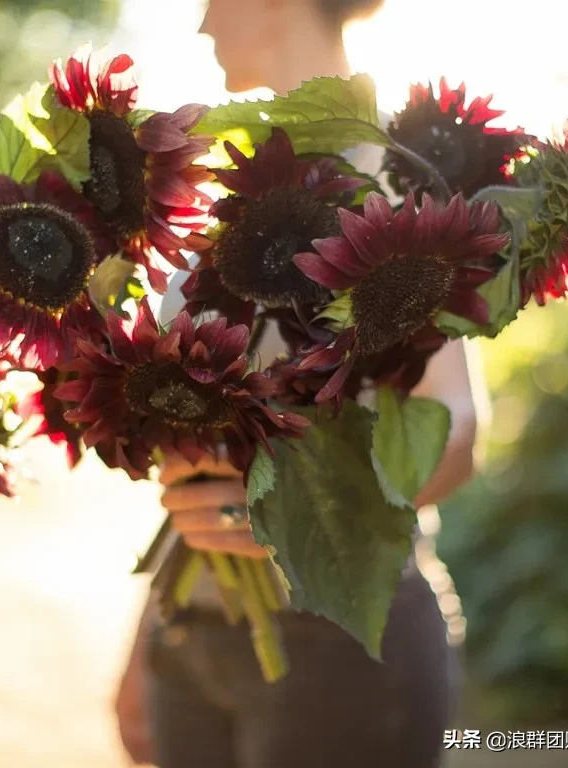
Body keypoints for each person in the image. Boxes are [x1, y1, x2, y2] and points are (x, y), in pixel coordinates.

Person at [115, 1, 481, 765]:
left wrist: (301, 515)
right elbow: (200, 455)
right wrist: (147, 635)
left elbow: (455, 430)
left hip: (340, 646)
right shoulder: (222, 192)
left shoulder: (397, 170)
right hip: (194, 639)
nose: (203, 27)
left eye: (213, 1)